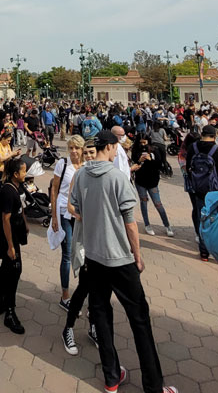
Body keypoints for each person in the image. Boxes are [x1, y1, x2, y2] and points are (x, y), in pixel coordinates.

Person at [69, 130, 175, 393]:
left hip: (93, 258)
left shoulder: (81, 174)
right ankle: (154, 385)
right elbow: (130, 222)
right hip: (119, 258)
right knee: (139, 320)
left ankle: (111, 377)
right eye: (117, 147)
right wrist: (138, 256)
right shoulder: (118, 178)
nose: (119, 151)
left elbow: (76, 209)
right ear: (110, 147)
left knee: (101, 315)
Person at [62, 141, 99, 355]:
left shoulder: (104, 174)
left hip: (100, 242)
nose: (88, 156)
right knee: (84, 286)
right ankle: (68, 328)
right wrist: (81, 215)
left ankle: (94, 324)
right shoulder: (80, 174)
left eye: (91, 152)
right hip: (85, 237)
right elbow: (70, 205)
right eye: (86, 153)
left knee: (99, 289)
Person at [0, 157, 29, 334]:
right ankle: (9, 313)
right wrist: (10, 246)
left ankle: (1, 302)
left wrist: (25, 224)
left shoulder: (17, 187)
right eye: (23, 171)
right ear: (15, 174)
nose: (26, 174)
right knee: (13, 270)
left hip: (13, 234)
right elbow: (5, 219)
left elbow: (21, 209)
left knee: (6, 268)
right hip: (5, 237)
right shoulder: (8, 191)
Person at [185, 125, 218, 261]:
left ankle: (204, 252)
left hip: (198, 189)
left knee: (202, 219)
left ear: (202, 134)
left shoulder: (192, 148)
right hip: (216, 190)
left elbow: (188, 167)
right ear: (215, 136)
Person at [50, 136, 86, 308]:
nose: (73, 151)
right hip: (64, 211)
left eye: (77, 148)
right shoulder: (63, 164)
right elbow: (54, 189)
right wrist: (53, 216)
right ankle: (65, 295)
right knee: (67, 254)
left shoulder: (87, 165)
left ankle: (84, 291)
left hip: (82, 214)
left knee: (83, 254)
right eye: (71, 148)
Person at [132, 133, 173, 237]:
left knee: (158, 203)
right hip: (140, 181)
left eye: (144, 142)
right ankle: (147, 224)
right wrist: (139, 160)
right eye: (140, 143)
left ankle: (167, 225)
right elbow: (134, 163)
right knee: (143, 202)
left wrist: (151, 159)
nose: (143, 145)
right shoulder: (136, 150)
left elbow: (159, 164)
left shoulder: (155, 149)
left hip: (153, 181)